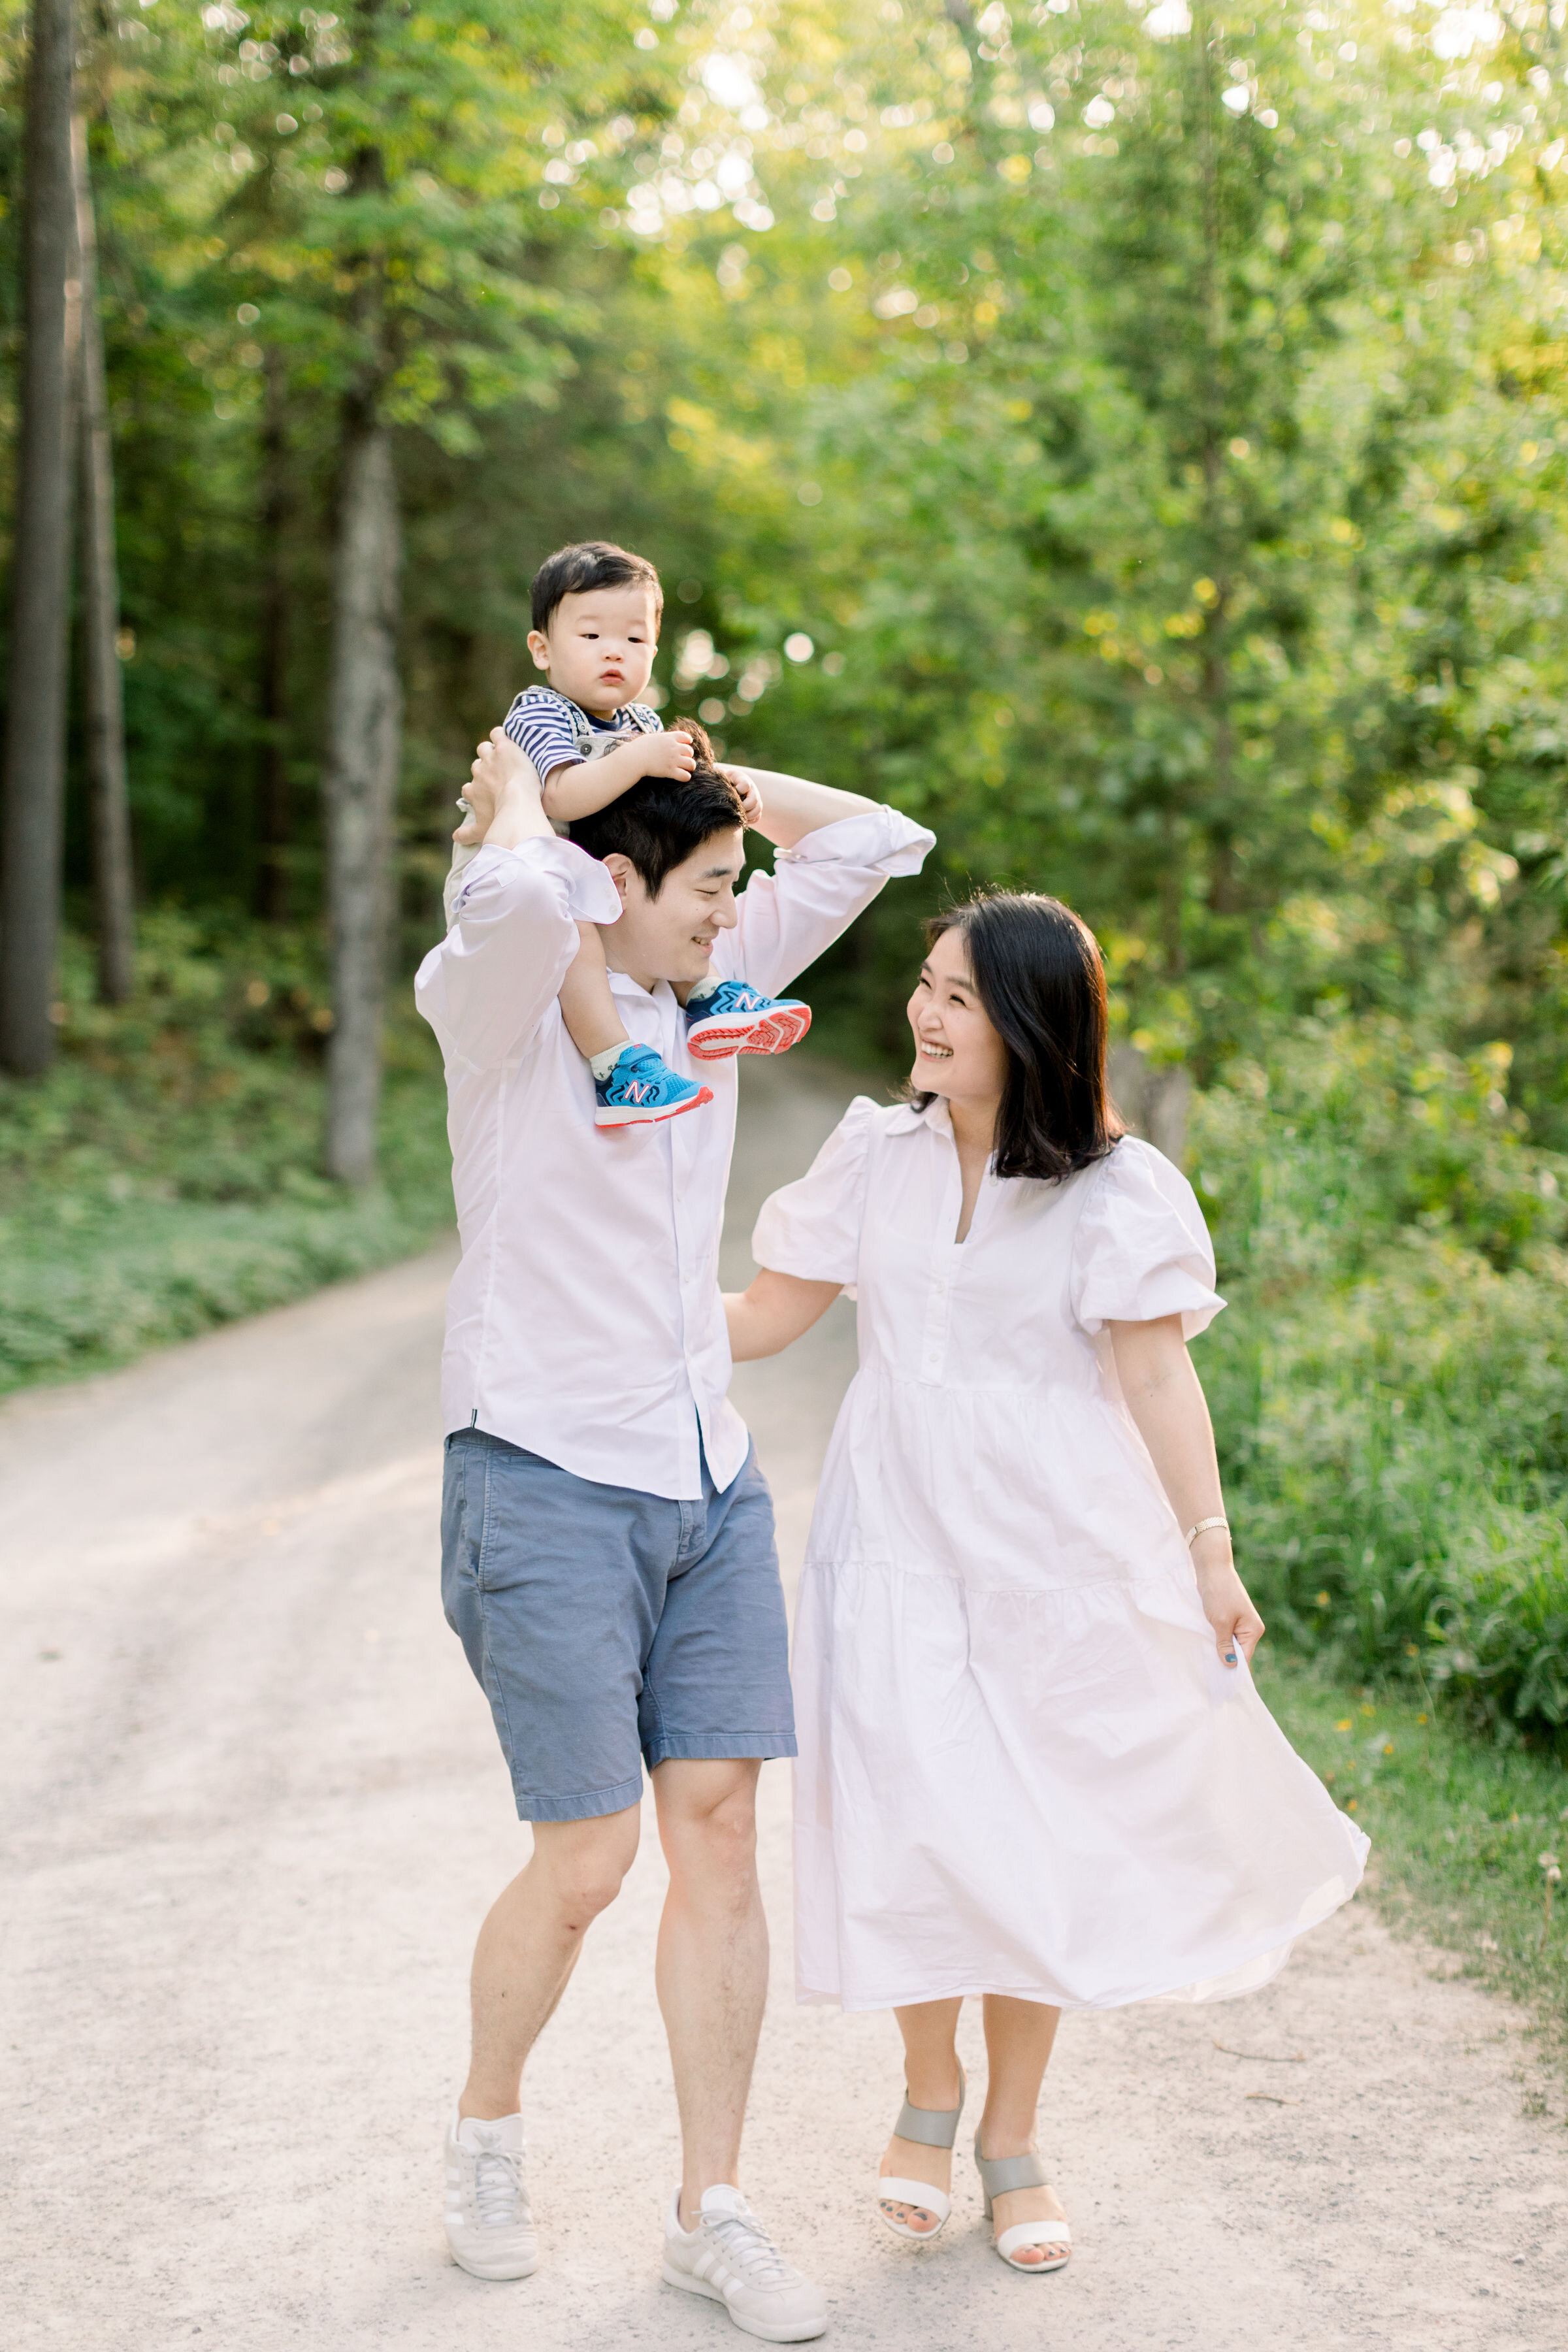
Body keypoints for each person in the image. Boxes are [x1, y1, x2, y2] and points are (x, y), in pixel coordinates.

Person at [725, 891, 1369, 2280]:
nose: (922, 1012)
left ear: (1027, 1024)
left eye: (955, 996)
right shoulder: (872, 1157)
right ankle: (927, 2087)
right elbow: (769, 1316)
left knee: (1030, 1832)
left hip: (1054, 1552)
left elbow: (1151, 1370)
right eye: (925, 986)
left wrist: (1207, 1541)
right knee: (912, 1811)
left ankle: (1010, 2136)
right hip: (893, 1535)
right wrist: (618, 1310)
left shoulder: (1118, 1191)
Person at [414, 717, 934, 2339]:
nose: (737, 910)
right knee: (586, 1861)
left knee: (717, 1834)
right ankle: (486, 2125)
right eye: (707, 885)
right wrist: (529, 796)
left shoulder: (697, 963)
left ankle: (710, 2207)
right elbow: (506, 905)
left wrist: (701, 785)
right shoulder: (508, 995)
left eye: (733, 888)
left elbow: (877, 838)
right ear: (610, 883)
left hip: (704, 1474)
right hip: (542, 1470)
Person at [446, 540, 810, 1128]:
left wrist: (735, 790)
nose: (614, 653)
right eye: (591, 637)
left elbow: (671, 805)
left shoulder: (640, 722)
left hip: (582, 870)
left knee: (665, 905)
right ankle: (615, 1065)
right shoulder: (541, 710)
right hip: (508, 884)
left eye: (635, 640)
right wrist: (640, 759)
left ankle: (708, 996)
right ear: (542, 649)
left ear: (655, 650)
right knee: (578, 941)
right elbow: (560, 796)